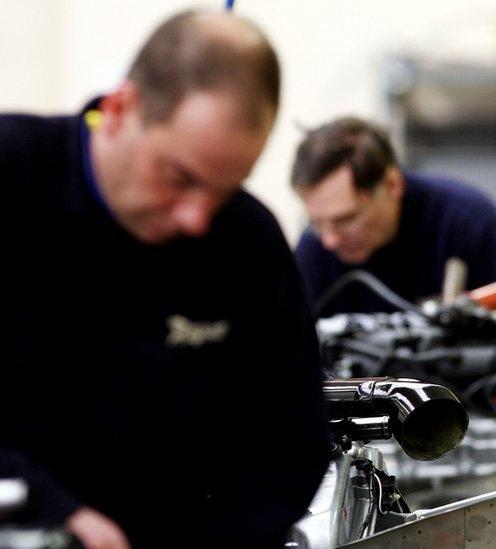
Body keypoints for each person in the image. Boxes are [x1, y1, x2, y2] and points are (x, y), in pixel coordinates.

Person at [1, 10, 330, 548]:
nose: (197, 219)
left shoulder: (248, 242)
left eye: (225, 191)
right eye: (178, 178)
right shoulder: (14, 176)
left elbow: (289, 445)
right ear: (120, 108)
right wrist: (51, 513)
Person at [291, 117, 496, 316]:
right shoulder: (314, 250)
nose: (330, 241)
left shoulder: (474, 228)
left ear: (392, 185)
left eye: (346, 220)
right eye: (316, 223)